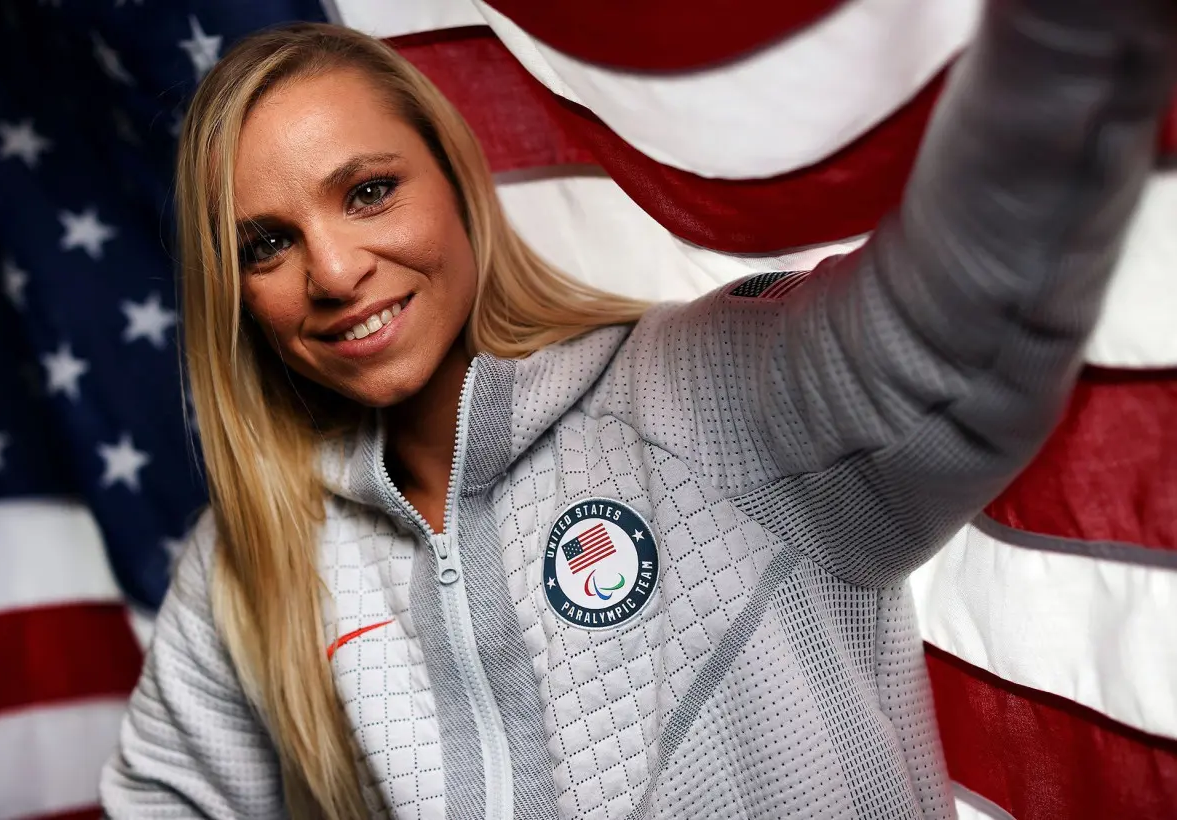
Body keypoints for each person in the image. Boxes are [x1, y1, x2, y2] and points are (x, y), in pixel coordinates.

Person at [100, 0, 1176, 816]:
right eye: (266, 245)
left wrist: (1067, 40)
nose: (333, 269)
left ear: (458, 182)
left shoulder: (711, 393)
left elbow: (968, 315)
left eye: (369, 189)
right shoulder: (244, 567)